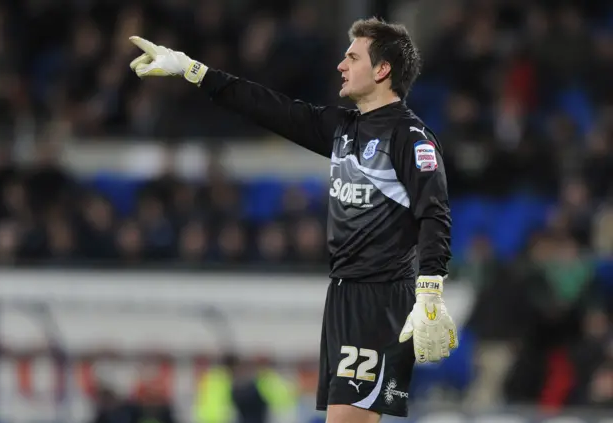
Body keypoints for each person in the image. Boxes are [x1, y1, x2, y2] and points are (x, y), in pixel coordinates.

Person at [128, 17, 458, 423]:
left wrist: (430, 292)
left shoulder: (411, 138)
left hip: (379, 298)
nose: (341, 65)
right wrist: (193, 71)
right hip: (344, 295)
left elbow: (434, 212)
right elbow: (271, 108)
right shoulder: (343, 130)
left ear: (382, 69)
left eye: (352, 57)